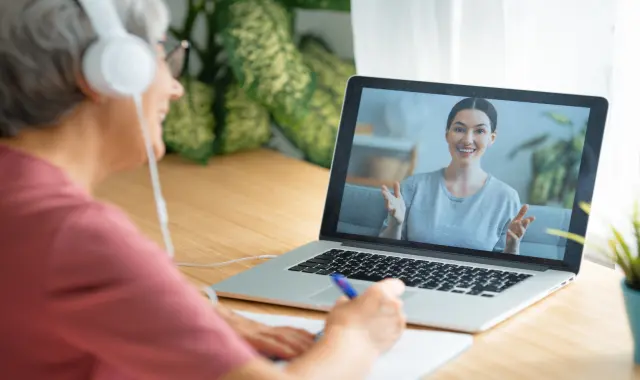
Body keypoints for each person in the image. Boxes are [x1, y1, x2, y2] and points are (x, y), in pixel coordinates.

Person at [0, 1, 407, 379]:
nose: (176, 89)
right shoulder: (75, 236)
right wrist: (358, 335)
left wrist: (180, 312)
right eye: (163, 57)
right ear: (110, 70)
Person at [379, 97, 535, 254]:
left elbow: (503, 270)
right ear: (447, 135)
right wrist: (395, 224)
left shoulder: (506, 197)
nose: (467, 140)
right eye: (459, 129)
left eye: (479, 131)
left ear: (491, 138)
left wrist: (513, 245)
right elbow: (385, 253)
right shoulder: (413, 186)